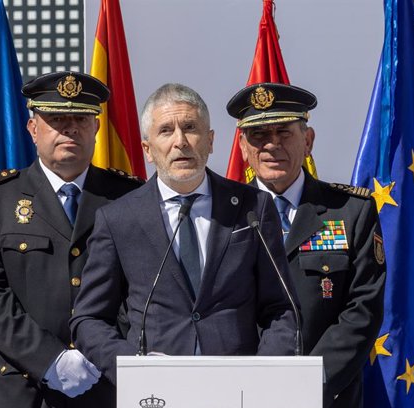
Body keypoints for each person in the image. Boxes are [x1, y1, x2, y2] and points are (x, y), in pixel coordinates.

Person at [69, 83, 297, 386]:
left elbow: (281, 308)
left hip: (239, 390)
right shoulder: (118, 218)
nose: (180, 142)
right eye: (165, 131)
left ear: (211, 140)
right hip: (156, 396)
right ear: (148, 150)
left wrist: (263, 374)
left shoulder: (252, 206)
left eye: (190, 128)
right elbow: (88, 320)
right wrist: (130, 367)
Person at [0, 71, 143, 408]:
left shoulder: (128, 197)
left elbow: (140, 288)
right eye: (57, 120)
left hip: (106, 395)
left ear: (95, 127)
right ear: (33, 127)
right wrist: (50, 359)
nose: (69, 129)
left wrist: (104, 354)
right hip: (22, 400)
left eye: (80, 119)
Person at [228, 82, 386, 408]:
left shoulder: (350, 211)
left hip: (325, 406)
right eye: (258, 134)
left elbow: (363, 309)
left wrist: (310, 380)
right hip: (242, 402)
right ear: (242, 147)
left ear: (308, 139)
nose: (271, 144)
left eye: (284, 132)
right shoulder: (222, 215)